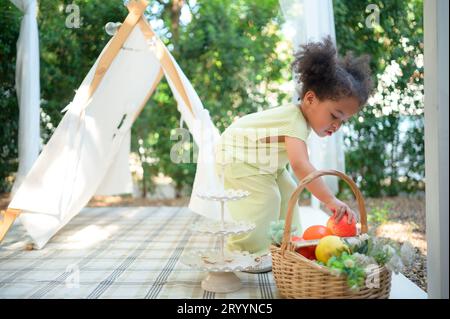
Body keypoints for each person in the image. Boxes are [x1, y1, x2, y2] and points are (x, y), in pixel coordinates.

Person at [214, 36, 373, 272]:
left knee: (288, 191)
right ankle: (244, 252)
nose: (336, 125)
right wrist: (330, 199)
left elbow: (293, 169)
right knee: (266, 198)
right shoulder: (294, 119)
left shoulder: (299, 121)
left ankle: (290, 242)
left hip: (263, 162)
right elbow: (301, 165)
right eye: (334, 116)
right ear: (310, 99)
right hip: (237, 155)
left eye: (343, 121)